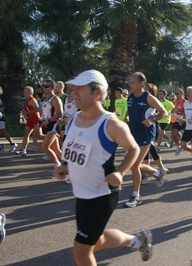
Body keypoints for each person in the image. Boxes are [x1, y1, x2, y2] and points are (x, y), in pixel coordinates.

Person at [54, 69, 152, 265]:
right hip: (81, 194)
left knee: (81, 251)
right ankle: (137, 241)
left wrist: (119, 172)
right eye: (74, 89)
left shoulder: (111, 124)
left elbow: (133, 150)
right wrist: (65, 165)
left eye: (80, 89)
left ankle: (136, 241)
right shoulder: (74, 119)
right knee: (95, 241)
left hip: (101, 194)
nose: (74, 93)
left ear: (97, 93)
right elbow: (76, 149)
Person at [125, 72, 167, 208]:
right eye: (129, 82)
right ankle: (157, 172)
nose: (130, 85)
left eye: (133, 83)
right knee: (133, 165)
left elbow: (164, 113)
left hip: (146, 135)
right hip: (134, 134)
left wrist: (151, 119)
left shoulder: (149, 98)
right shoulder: (130, 97)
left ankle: (136, 196)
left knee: (134, 165)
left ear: (142, 84)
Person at [39, 80, 63, 168]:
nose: (44, 88)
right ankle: (71, 166)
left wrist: (48, 120)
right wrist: (41, 119)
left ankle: (58, 164)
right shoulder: (45, 99)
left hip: (54, 125)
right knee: (56, 150)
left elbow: (60, 113)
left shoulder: (55, 99)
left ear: (53, 88)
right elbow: (45, 112)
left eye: (47, 86)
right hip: (47, 125)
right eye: (43, 86)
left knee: (44, 147)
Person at [15, 86, 40, 156]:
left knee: (40, 135)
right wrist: (24, 112)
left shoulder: (32, 100)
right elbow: (27, 110)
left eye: (24, 92)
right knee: (26, 134)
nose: (23, 93)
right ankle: (23, 150)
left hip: (35, 120)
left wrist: (28, 113)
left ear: (29, 93)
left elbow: (38, 109)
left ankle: (54, 138)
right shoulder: (26, 100)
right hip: (30, 120)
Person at [0, 86, 18, 153]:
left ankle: (12, 144)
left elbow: (1, 108)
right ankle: (12, 144)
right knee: (3, 132)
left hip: (0, 118)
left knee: (3, 132)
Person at [170, 88, 186, 155]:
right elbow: (173, 110)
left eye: (178, 94)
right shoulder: (175, 101)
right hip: (177, 120)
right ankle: (179, 146)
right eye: (175, 93)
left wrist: (179, 112)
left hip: (184, 121)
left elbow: (187, 113)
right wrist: (173, 112)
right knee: (173, 135)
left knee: (190, 138)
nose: (176, 95)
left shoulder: (185, 102)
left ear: (182, 94)